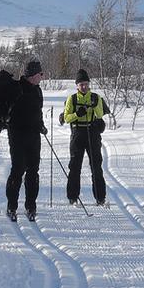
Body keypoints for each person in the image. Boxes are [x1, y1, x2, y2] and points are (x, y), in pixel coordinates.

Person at [4, 59, 47, 221]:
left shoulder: (37, 91)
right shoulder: (17, 88)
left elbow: (38, 112)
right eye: (40, 74)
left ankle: (31, 206)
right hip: (17, 135)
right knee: (17, 170)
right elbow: (9, 110)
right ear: (32, 75)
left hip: (34, 136)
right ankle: (12, 206)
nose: (42, 76)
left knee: (33, 171)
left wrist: (41, 125)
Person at [64, 68, 109, 206]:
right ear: (77, 85)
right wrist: (77, 114)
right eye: (81, 84)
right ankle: (72, 197)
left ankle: (100, 198)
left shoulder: (96, 97)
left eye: (86, 84)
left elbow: (100, 115)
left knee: (96, 166)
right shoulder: (72, 99)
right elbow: (66, 118)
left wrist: (95, 106)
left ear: (89, 84)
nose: (84, 87)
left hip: (92, 132)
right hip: (77, 133)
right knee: (75, 166)